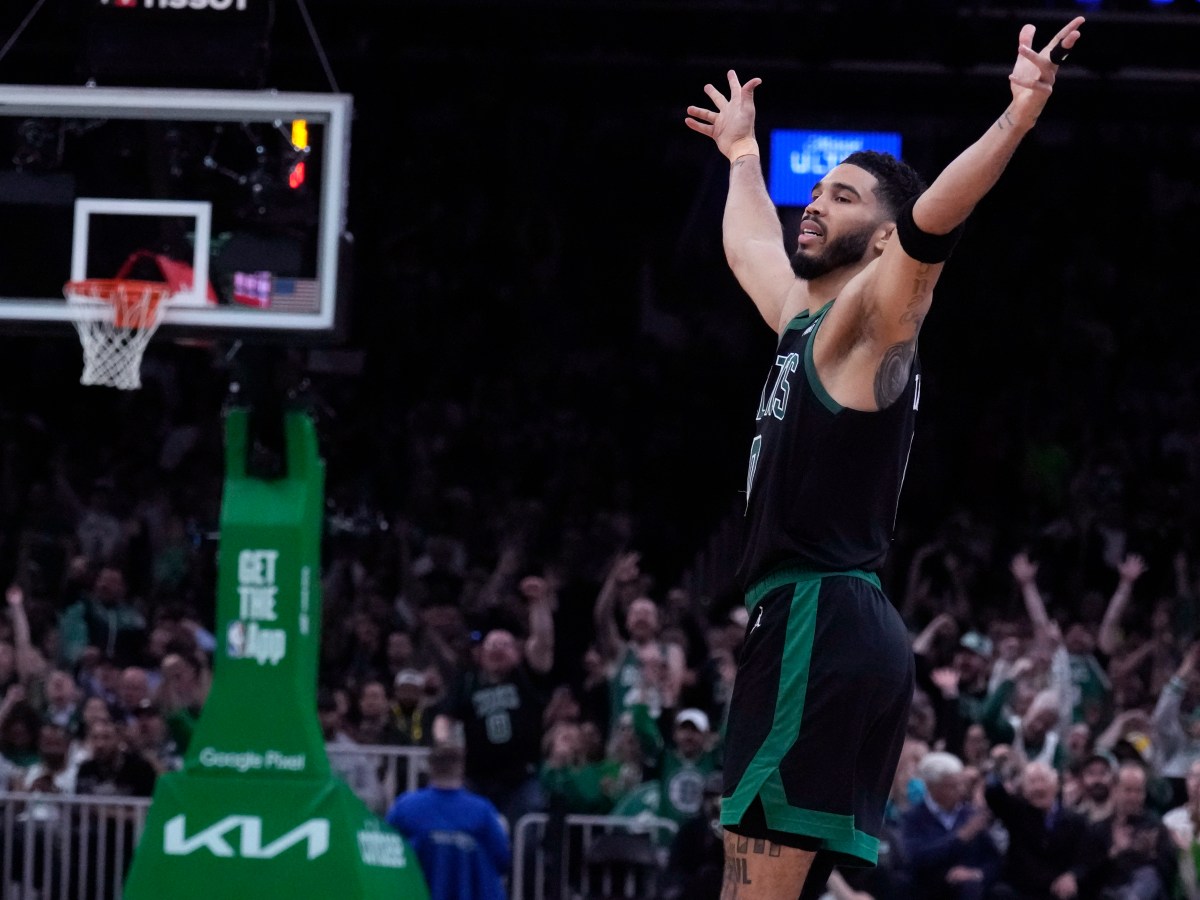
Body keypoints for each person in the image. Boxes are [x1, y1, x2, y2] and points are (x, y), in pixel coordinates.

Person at [684, 14, 1085, 899]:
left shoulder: (875, 316)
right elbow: (747, 246)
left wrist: (1017, 116)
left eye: (843, 196)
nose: (815, 203)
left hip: (817, 618)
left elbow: (934, 219)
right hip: (821, 621)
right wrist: (743, 155)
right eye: (816, 191)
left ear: (880, 238)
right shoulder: (804, 320)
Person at [385, 742, 510, 900]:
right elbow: (502, 858)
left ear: (430, 767)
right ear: (461, 768)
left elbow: (386, 851)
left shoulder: (405, 807)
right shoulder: (483, 811)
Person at [900, 752, 1002, 900]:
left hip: (972, 887)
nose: (961, 790)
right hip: (929, 887)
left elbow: (994, 860)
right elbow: (915, 858)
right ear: (932, 787)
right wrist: (959, 839)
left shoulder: (971, 815)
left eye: (961, 784)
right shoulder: (914, 818)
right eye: (952, 786)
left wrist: (977, 873)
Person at [983, 759, 1089, 900]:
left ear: (1056, 785)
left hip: (1057, 891)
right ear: (1023, 789)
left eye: (1042, 780)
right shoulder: (1016, 812)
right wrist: (1003, 772)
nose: (1038, 788)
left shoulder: (1076, 820)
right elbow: (993, 793)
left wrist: (1072, 875)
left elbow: (1085, 859)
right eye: (1032, 782)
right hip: (1022, 891)